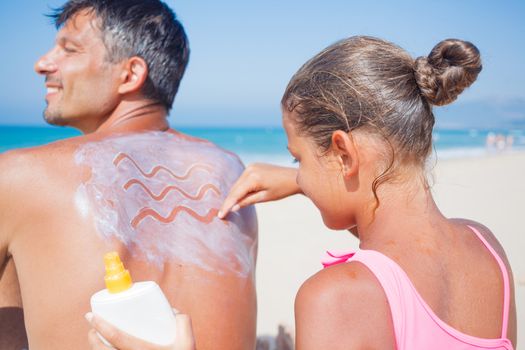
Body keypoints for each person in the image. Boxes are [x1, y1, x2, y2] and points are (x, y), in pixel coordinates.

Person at [88, 36, 518, 349]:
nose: (301, 177)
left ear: (344, 153)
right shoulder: (486, 249)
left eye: (299, 160)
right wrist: (302, 182)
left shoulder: (336, 297)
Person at [0, 0, 257, 349]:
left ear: (131, 74)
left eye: (69, 49)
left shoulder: (20, 174)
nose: (42, 63)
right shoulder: (228, 169)